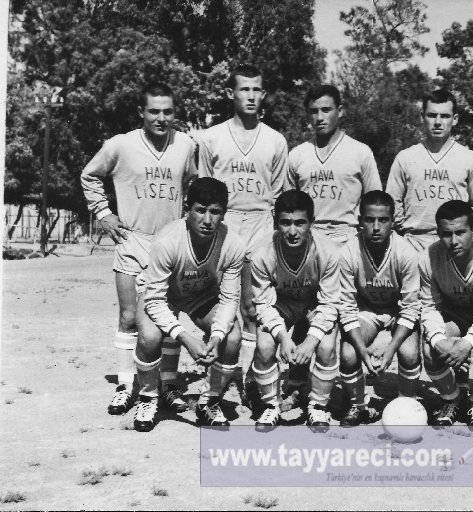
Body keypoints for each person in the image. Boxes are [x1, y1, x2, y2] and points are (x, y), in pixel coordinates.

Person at [81, 82, 197, 416]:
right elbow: (89, 176)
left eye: (168, 112)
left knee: (169, 316)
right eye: (154, 111)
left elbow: (192, 183)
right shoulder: (120, 145)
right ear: (141, 113)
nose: (161, 118)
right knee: (130, 316)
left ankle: (169, 384)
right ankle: (126, 384)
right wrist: (104, 213)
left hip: (170, 243)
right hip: (133, 240)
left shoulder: (185, 145)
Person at [196, 64, 289, 393]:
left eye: (256, 90)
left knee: (251, 308)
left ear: (263, 94)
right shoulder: (211, 138)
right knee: (219, 306)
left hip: (260, 224)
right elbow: (204, 188)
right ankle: (217, 378)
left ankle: (249, 378)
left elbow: (278, 194)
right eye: (244, 89)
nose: (250, 96)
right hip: (224, 225)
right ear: (230, 93)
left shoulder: (276, 141)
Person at [131, 177, 245, 431]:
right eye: (200, 210)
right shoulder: (168, 241)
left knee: (233, 337)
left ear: (224, 213)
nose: (208, 220)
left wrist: (216, 336)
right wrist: (186, 339)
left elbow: (229, 299)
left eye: (215, 212)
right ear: (187, 209)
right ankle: (148, 397)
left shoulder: (234, 244)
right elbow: (155, 299)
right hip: (163, 294)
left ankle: (209, 401)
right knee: (149, 336)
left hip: (200, 294)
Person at [249, 190, 340, 432]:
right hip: (281, 304)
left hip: (314, 304)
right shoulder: (261, 253)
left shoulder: (328, 251)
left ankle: (318, 406)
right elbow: (263, 305)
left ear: (312, 222)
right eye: (285, 222)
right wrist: (283, 337)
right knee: (265, 346)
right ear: (275, 221)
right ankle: (271, 405)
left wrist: (310, 341)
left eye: (300, 223)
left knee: (326, 347)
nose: (292, 231)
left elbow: (331, 303)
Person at [419, 200, 473, 429]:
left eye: (460, 232)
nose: (454, 241)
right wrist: (439, 341)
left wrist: (467, 343)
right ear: (438, 233)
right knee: (430, 350)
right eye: (446, 234)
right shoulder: (428, 258)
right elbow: (429, 307)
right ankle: (451, 399)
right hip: (453, 315)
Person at [338, 191, 422, 425]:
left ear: (393, 221)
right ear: (360, 220)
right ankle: (358, 406)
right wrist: (363, 350)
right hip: (367, 310)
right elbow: (346, 307)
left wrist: (392, 347)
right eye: (369, 220)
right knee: (349, 353)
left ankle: (407, 406)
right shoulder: (348, 252)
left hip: (398, 311)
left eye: (383, 220)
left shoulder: (405, 252)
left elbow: (411, 307)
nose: (376, 227)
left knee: (409, 352)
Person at [385, 89, 473, 253]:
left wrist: (460, 230)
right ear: (422, 117)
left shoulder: (470, 159)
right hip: (414, 243)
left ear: (455, 119)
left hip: (454, 243)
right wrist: (404, 230)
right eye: (432, 115)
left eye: (445, 116)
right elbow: (392, 202)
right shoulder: (405, 158)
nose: (438, 122)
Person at [285, 84, 382, 247]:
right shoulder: (297, 155)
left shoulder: (360, 152)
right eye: (313, 111)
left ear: (340, 111)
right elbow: (288, 207)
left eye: (326, 110)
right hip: (308, 240)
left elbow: (376, 204)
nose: (319, 117)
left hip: (348, 238)